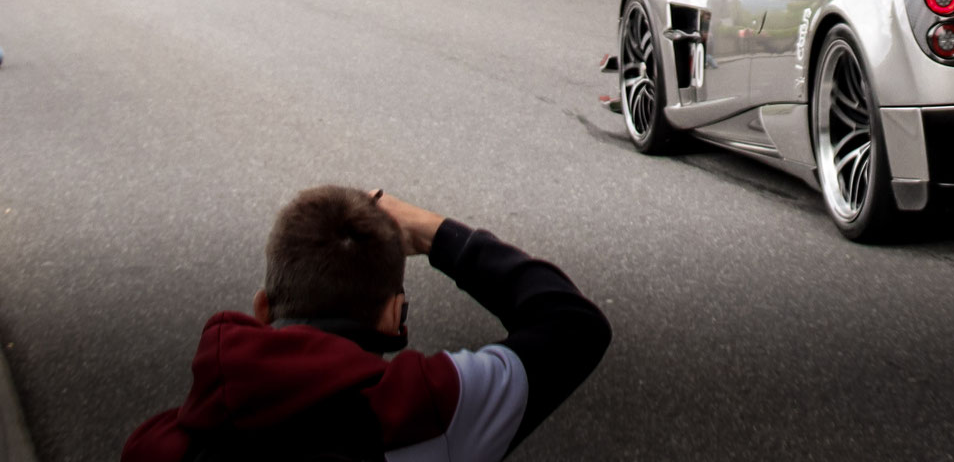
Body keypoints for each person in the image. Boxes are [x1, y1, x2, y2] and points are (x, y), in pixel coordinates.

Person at [123, 186, 611, 461]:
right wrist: (434, 232)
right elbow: (572, 324)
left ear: (262, 310)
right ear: (393, 315)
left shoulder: (155, 446)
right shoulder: (428, 408)